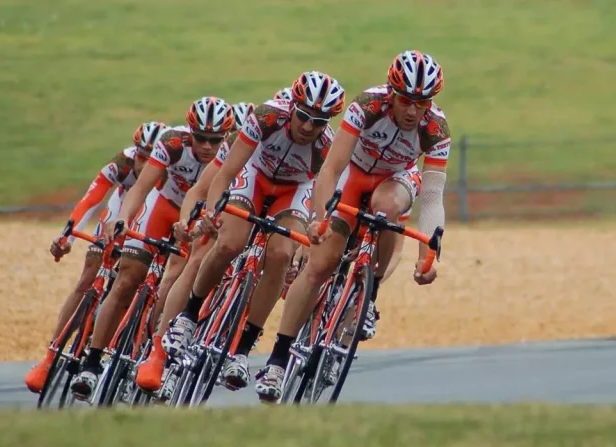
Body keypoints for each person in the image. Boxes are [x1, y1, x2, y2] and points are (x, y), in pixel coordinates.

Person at [137, 73, 345, 402]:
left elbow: (321, 194)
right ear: (292, 108)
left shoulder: (326, 146)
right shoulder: (264, 118)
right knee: (230, 243)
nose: (308, 127)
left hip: (293, 190)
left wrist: (316, 229)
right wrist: (211, 213)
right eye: (304, 116)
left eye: (319, 122)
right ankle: (189, 316)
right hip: (254, 176)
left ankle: (243, 350)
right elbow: (225, 174)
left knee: (278, 255)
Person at [266, 51, 450, 401]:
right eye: (406, 100)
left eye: (422, 102)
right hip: (353, 172)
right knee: (320, 265)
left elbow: (431, 199)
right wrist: (319, 221)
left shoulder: (436, 129)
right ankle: (277, 359)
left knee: (385, 208)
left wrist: (427, 256)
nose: (413, 111)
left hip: (395, 179)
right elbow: (331, 169)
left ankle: (369, 290)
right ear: (392, 94)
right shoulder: (367, 105)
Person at [68, 97, 237, 400]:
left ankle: (156, 345)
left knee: (181, 273)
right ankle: (92, 363)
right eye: (200, 138)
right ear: (190, 132)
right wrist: (122, 218)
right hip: (162, 208)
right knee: (127, 279)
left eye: (215, 140)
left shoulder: (234, 154)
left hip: (201, 217)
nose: (207, 146)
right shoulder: (172, 143)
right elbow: (140, 189)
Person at [23, 121, 166, 394]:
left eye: (152, 159)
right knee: (90, 274)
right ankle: (50, 356)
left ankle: (128, 352)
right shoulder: (123, 162)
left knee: (140, 280)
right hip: (122, 210)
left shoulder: (173, 170)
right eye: (142, 157)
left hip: (154, 213)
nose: (145, 165)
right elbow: (92, 198)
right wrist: (68, 237)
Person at [132, 101, 255, 397]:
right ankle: (158, 346)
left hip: (246, 210)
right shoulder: (229, 150)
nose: (209, 145)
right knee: (191, 260)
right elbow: (200, 192)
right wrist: (190, 223)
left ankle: (233, 343)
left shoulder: (273, 154)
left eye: (218, 139)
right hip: (209, 208)